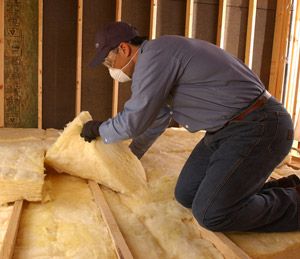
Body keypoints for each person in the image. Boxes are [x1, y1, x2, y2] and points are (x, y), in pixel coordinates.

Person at [81, 21, 300, 232]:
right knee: (187, 194)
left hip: (259, 126)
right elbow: (155, 120)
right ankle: (289, 187)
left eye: (109, 62)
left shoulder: (154, 57)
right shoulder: (157, 57)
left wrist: (100, 129)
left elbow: (133, 120)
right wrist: (130, 158)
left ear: (124, 49)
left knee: (211, 213)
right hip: (226, 130)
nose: (110, 70)